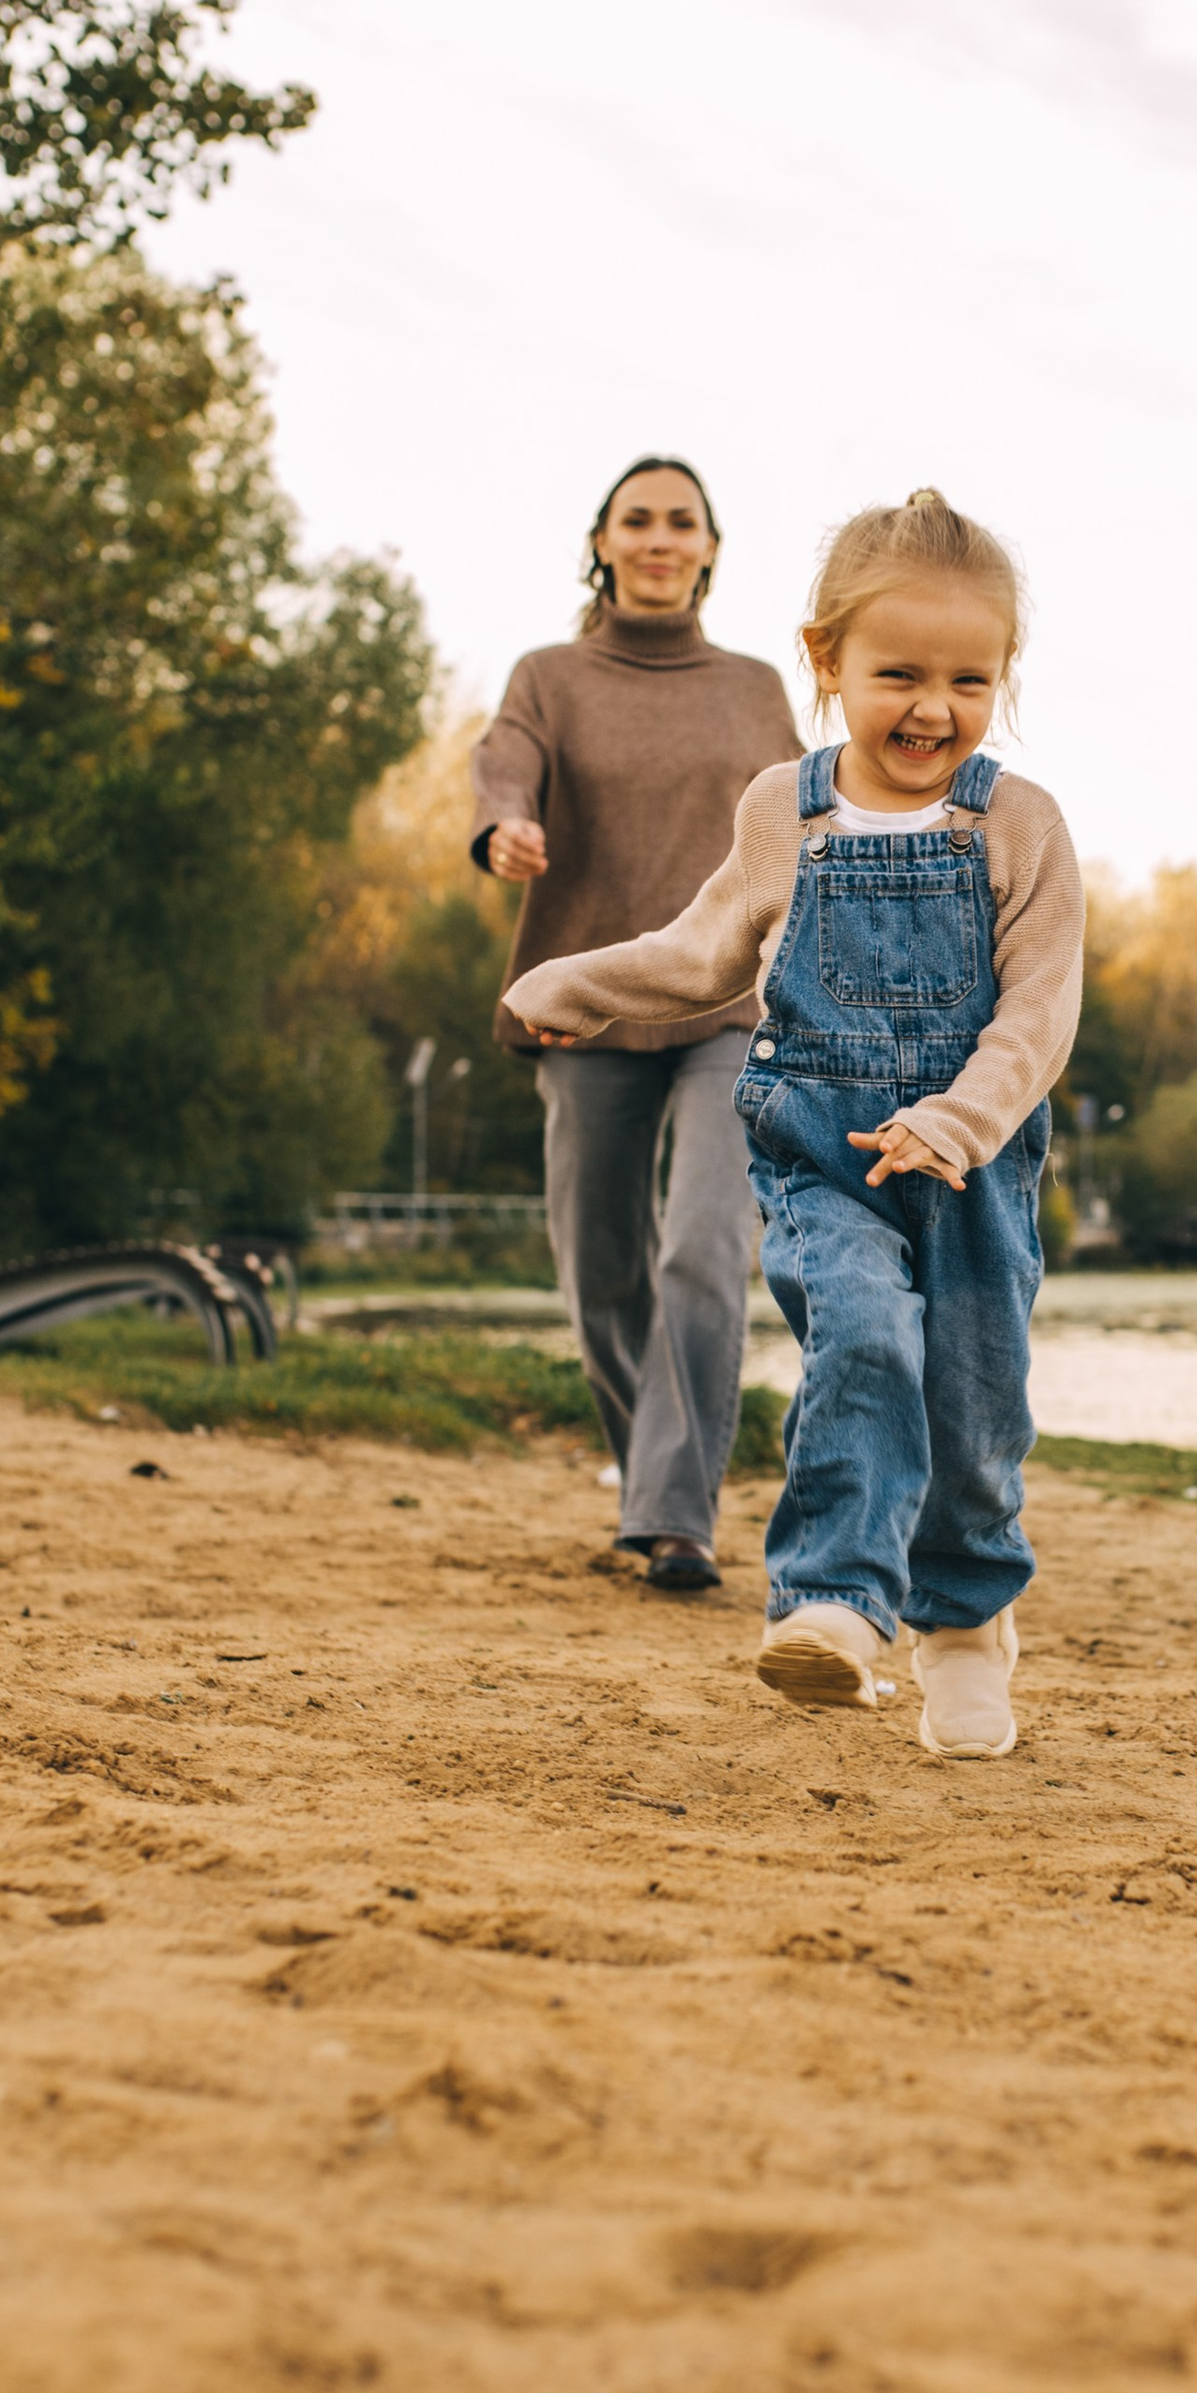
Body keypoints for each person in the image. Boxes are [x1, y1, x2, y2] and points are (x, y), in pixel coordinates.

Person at [505, 489, 1081, 1763]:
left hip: (971, 1171)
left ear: (1003, 679)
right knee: (863, 1339)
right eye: (898, 674)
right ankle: (831, 1599)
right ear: (826, 661)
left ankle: (966, 1626)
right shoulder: (785, 810)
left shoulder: (1018, 825)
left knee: (975, 1413)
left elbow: (1041, 1013)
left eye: (969, 679)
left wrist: (962, 1117)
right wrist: (575, 985)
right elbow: (706, 952)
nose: (933, 708)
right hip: (821, 1154)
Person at [472, 457, 799, 1595]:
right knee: (601, 1267)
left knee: (702, 1244)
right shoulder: (550, 676)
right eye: (638, 520)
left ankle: (676, 1518)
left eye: (682, 522)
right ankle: (656, 1482)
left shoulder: (756, 686)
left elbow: (805, 820)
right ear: (602, 543)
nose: (660, 538)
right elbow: (503, 762)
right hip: (588, 996)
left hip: (731, 1001)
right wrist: (504, 824)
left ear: (710, 549)